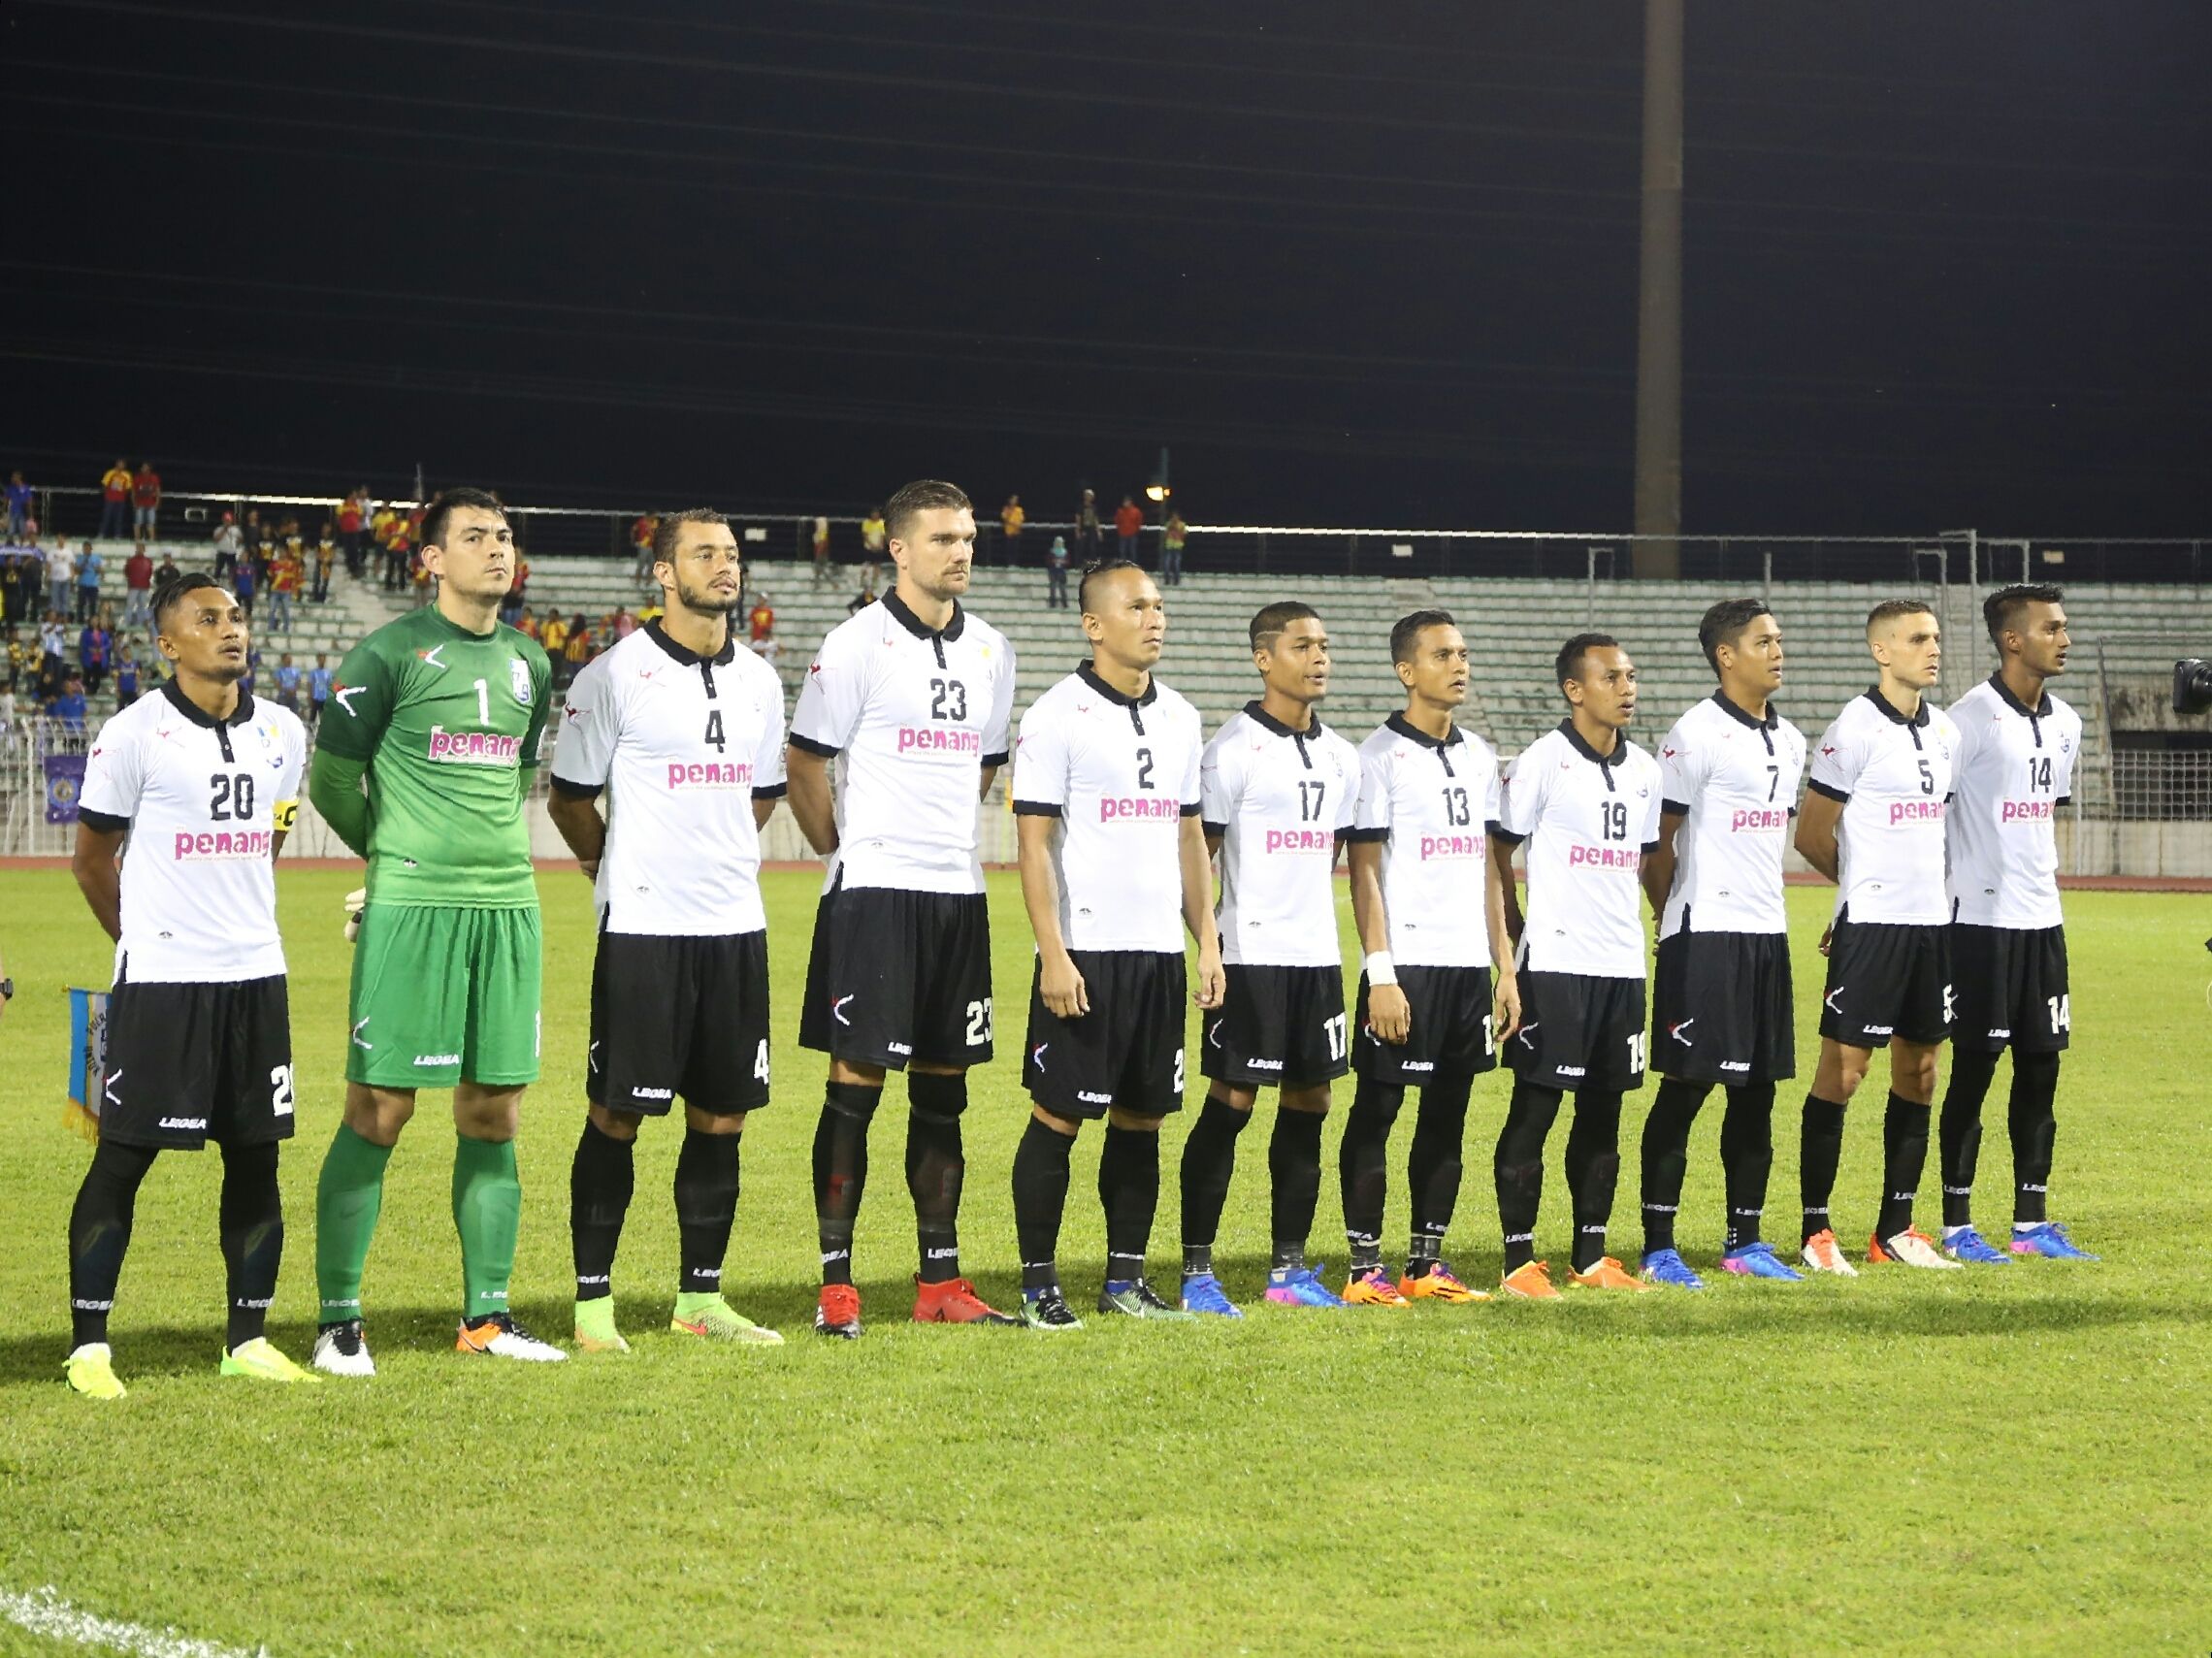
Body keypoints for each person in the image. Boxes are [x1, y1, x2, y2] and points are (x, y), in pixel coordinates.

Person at [308, 487, 562, 1374]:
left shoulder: (533, 661)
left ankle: (487, 1318)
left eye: (504, 535)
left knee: (495, 1110)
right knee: (380, 1108)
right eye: (475, 537)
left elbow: (517, 778)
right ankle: (339, 1320)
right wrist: (393, 862)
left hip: (507, 904)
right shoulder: (387, 654)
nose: (497, 549)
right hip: (414, 907)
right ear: (430, 559)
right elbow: (334, 782)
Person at [63, 571, 314, 1398]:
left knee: (256, 1160)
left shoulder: (283, 731)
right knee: (124, 1157)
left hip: (254, 975)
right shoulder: (133, 734)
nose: (230, 629)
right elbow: (92, 858)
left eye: (236, 615)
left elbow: (266, 840)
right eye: (208, 619)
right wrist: (142, 938)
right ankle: (90, 1347)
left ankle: (247, 1338)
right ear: (169, 643)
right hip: (164, 981)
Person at [547, 509, 791, 1352]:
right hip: (646, 926)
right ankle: (591, 1307)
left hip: (734, 927)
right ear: (663, 572)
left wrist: (713, 852)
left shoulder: (761, 678)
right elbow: (569, 797)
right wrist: (606, 865)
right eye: (703, 555)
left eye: (730, 555)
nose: (724, 568)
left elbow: (761, 794)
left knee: (722, 1117)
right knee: (617, 1113)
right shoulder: (614, 674)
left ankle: (701, 1298)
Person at [787, 478, 1019, 1336]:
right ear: (899, 548)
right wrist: (843, 850)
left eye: (968, 536)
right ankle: (837, 1285)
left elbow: (982, 768)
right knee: (856, 1084)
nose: (961, 551)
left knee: (945, 1091)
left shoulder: (994, 649)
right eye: (943, 539)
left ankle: (940, 1284)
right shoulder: (855, 644)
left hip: (956, 892)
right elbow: (806, 764)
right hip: (876, 893)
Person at [1007, 559, 1224, 1328]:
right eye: (1137, 606)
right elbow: (1031, 845)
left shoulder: (1182, 717)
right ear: (1094, 624)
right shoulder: (1056, 715)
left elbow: (1190, 837)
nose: (1155, 618)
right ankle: (1038, 1284)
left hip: (1159, 955)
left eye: (1160, 605)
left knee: (1143, 1120)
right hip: (1087, 953)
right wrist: (1054, 952)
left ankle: (1124, 1280)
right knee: (1059, 1119)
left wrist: (1208, 940)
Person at [1178, 601, 1361, 1316]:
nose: (1318, 656)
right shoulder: (1231, 750)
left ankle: (1287, 1270)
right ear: (1264, 658)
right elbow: (1199, 859)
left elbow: (1334, 854)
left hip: (1315, 959)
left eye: (1324, 644)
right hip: (1249, 960)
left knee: (1310, 1102)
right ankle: (1197, 1269)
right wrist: (1211, 947)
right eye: (1302, 645)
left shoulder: (1343, 756)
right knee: (1232, 1102)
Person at [1339, 610, 1521, 1305]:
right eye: (1444, 654)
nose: (1460, 664)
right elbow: (1364, 872)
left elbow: (1485, 868)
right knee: (1378, 1111)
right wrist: (1380, 973)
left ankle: (1426, 1262)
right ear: (1407, 671)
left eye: (1465, 652)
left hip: (1465, 967)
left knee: (1449, 1114)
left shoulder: (1479, 755)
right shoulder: (1377, 757)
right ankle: (1363, 1269)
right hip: (1405, 965)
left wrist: (1503, 966)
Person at [1636, 601, 1809, 1289]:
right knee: (1687, 1086)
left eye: (1779, 638)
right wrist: (1669, 913)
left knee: (1758, 1092)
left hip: (1766, 934)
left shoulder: (1791, 739)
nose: (1778, 650)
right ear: (1726, 655)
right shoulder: (1693, 733)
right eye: (1763, 640)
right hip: (1703, 933)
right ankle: (1658, 1244)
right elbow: (1660, 844)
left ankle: (1746, 1238)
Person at [1487, 634, 1664, 1297]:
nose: (1627, 686)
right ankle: (1517, 1260)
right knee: (1535, 1109)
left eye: (1631, 674)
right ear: (1574, 689)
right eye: (1612, 676)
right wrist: (1511, 942)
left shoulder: (1646, 769)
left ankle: (1590, 1256)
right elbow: (1496, 855)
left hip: (1620, 966)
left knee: (1605, 1113)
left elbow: (1640, 860)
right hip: (1555, 963)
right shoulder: (1542, 762)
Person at [1794, 601, 1963, 1274]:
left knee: (1920, 1072)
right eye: (1918, 639)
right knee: (1844, 1071)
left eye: (1936, 638)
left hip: (1932, 928)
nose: (1933, 649)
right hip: (1872, 928)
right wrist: (1857, 892)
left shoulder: (1947, 732)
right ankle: (1816, 1230)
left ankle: (1896, 1227)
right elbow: (1812, 833)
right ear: (1881, 651)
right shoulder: (1853, 727)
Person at [1937, 585, 2097, 1262]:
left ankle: (2031, 1222)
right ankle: (1956, 1222)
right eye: (2051, 628)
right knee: (1974, 1070)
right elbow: (1934, 814)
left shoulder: (2067, 722)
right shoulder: (1966, 721)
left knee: (2041, 1068)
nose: (2064, 638)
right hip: (1979, 922)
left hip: (2043, 920)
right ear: (2012, 639)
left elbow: (2043, 809)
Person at [78, 614, 112, 696]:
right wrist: (90, 649)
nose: (95, 622)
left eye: (96, 620)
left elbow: (108, 644)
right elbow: (83, 643)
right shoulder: (86, 632)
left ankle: (93, 691)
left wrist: (102, 649)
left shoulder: (103, 632)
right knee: (87, 674)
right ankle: (84, 690)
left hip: (99, 657)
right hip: (89, 657)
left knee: (97, 676)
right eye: (93, 620)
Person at [99, 459, 133, 540]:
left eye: (122, 464)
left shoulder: (127, 475)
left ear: (125, 466)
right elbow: (104, 484)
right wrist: (107, 494)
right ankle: (101, 534)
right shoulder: (110, 473)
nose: (121, 466)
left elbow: (129, 487)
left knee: (119, 518)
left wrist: (123, 493)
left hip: (120, 500)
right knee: (106, 517)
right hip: (110, 499)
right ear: (116, 464)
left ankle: (118, 535)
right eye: (119, 464)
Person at [123, 543, 153, 630]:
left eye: (141, 548)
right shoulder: (131, 560)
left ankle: (140, 623)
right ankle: (127, 622)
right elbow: (127, 571)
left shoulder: (148, 561)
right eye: (138, 548)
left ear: (144, 549)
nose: (139, 550)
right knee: (130, 605)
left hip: (144, 586)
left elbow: (149, 573)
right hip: (133, 586)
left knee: (142, 606)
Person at [131, 461, 161, 543]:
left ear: (149, 468)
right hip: (139, 504)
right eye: (143, 467)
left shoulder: (154, 478)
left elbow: (158, 491)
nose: (144, 469)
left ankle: (152, 539)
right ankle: (137, 539)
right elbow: (133, 492)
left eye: (145, 467)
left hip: (150, 504)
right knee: (138, 522)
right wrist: (134, 503)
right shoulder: (137, 478)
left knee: (151, 523)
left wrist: (157, 503)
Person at [76, 542, 105, 625]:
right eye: (85, 548)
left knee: (92, 604)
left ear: (91, 549)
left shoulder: (96, 558)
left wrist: (98, 570)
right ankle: (80, 621)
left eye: (88, 548)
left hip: (93, 584)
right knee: (81, 603)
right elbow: (77, 571)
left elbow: (101, 570)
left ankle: (92, 622)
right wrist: (84, 563)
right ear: (83, 549)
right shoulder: (80, 558)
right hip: (83, 584)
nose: (86, 550)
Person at [48, 536, 74, 621]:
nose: (61, 540)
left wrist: (72, 575)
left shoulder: (68, 552)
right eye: (59, 539)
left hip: (66, 578)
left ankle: (64, 618)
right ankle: (54, 617)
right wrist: (47, 575)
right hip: (55, 578)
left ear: (64, 540)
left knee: (65, 599)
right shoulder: (52, 551)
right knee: (54, 599)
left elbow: (71, 564)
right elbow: (48, 564)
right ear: (57, 540)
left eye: (62, 539)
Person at [211, 513, 242, 582]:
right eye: (226, 520)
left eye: (228, 520)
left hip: (232, 552)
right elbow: (216, 539)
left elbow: (241, 538)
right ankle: (215, 581)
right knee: (218, 569)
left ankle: (233, 582)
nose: (227, 522)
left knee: (233, 569)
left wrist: (237, 543)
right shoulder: (219, 529)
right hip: (222, 552)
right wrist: (224, 530)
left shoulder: (236, 529)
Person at [1073, 488, 1101, 561]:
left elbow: (1096, 520)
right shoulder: (1080, 507)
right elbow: (1078, 519)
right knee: (1081, 547)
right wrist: (1078, 530)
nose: (1090, 497)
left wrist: (1099, 531)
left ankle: (1092, 563)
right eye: (1088, 495)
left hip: (1092, 529)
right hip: (1083, 529)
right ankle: (1079, 563)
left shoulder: (1094, 507)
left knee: (1092, 547)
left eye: (1091, 496)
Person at [1160, 510, 1187, 587]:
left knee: (1177, 564)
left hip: (1178, 546)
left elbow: (1184, 535)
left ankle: (1176, 580)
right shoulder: (1168, 524)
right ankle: (1167, 579)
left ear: (1178, 517)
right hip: (1169, 546)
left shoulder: (1182, 524)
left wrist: (1177, 531)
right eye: (1173, 516)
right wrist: (1169, 530)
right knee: (1167, 563)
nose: (1174, 518)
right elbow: (1165, 535)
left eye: (1176, 516)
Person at [1115, 496, 1144, 561]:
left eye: (1126, 501)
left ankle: (1133, 568)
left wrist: (1135, 530)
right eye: (1124, 502)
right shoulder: (1120, 511)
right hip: (1123, 534)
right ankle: (1124, 567)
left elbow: (1139, 521)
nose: (1125, 503)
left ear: (1130, 502)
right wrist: (1120, 530)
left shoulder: (1136, 511)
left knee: (1133, 552)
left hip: (1132, 534)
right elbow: (1117, 521)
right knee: (1122, 552)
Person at [307, 653, 332, 728]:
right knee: (312, 718)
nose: (321, 661)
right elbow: (310, 684)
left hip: (324, 698)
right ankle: (310, 734)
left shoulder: (328, 673)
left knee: (324, 719)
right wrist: (310, 696)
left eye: (323, 659)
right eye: (320, 659)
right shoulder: (313, 672)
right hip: (315, 698)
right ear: (317, 660)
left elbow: (329, 685)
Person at [5, 470, 31, 540]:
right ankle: (10, 548)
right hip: (12, 512)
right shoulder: (10, 488)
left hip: (23, 513)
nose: (12, 478)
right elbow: (6, 500)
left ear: (19, 477)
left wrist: (30, 515)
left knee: (23, 532)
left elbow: (29, 501)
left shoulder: (26, 488)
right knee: (10, 532)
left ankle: (22, 548)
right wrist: (4, 513)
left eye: (14, 477)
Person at [1045, 534, 1069, 609]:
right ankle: (1052, 603)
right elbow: (1048, 562)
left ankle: (1064, 603)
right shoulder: (1051, 552)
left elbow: (1068, 562)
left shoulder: (1065, 552)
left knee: (1062, 588)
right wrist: (1053, 561)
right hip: (1053, 571)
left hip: (1062, 571)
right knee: (1053, 587)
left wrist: (1063, 562)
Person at [113, 642, 141, 706]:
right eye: (125, 651)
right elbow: (116, 677)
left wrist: (138, 687)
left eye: (128, 651)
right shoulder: (118, 664)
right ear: (122, 652)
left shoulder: (135, 663)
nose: (127, 652)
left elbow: (137, 676)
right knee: (121, 710)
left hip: (132, 690)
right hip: (123, 691)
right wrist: (117, 689)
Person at [313, 525, 337, 603]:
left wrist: (327, 559)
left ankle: (322, 597)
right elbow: (316, 551)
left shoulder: (332, 540)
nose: (325, 529)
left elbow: (333, 552)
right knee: (317, 579)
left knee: (325, 581)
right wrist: (320, 558)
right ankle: (315, 596)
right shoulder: (318, 539)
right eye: (324, 528)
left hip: (328, 563)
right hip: (320, 562)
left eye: (327, 528)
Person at [999, 495, 1025, 563]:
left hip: (1016, 532)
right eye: (1013, 500)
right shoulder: (1006, 509)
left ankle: (1014, 563)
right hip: (1009, 533)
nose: (1014, 501)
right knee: (1008, 549)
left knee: (1015, 549)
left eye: (1016, 500)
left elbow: (1021, 519)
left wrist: (1013, 523)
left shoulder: (1019, 510)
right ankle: (1008, 563)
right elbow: (1003, 517)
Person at [812, 514, 831, 585]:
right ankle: (817, 584)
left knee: (820, 569)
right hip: (819, 553)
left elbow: (823, 544)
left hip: (822, 554)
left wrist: (818, 553)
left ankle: (833, 584)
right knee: (818, 570)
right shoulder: (818, 534)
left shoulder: (823, 533)